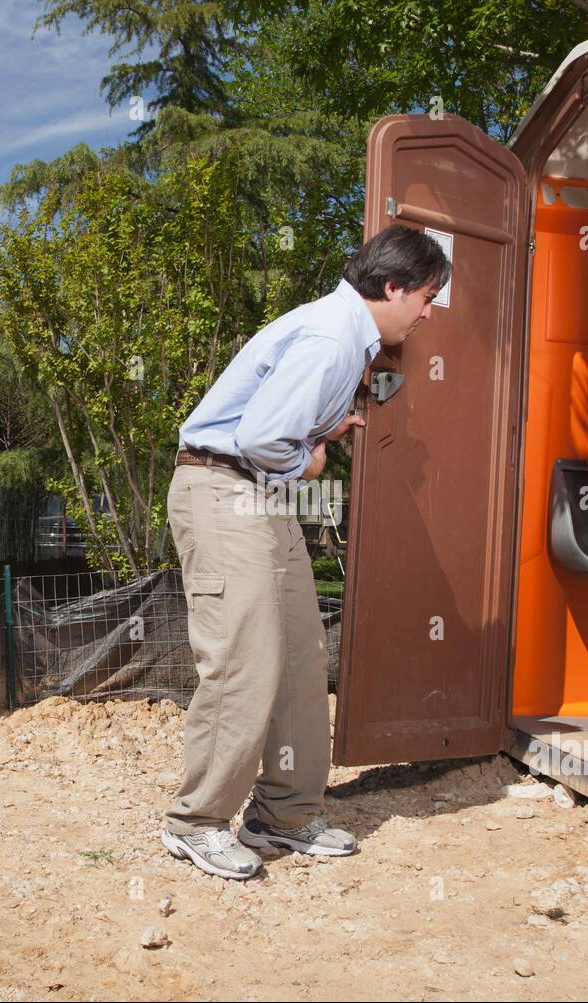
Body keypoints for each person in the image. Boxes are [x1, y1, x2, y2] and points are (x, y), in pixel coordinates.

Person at [161, 224, 453, 879]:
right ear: (392, 286)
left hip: (256, 493)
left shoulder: (349, 339)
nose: (429, 312)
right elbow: (265, 437)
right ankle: (196, 821)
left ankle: (283, 815)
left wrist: (320, 431)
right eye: (428, 297)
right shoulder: (332, 337)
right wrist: (310, 457)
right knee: (243, 656)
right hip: (224, 486)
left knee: (298, 654)